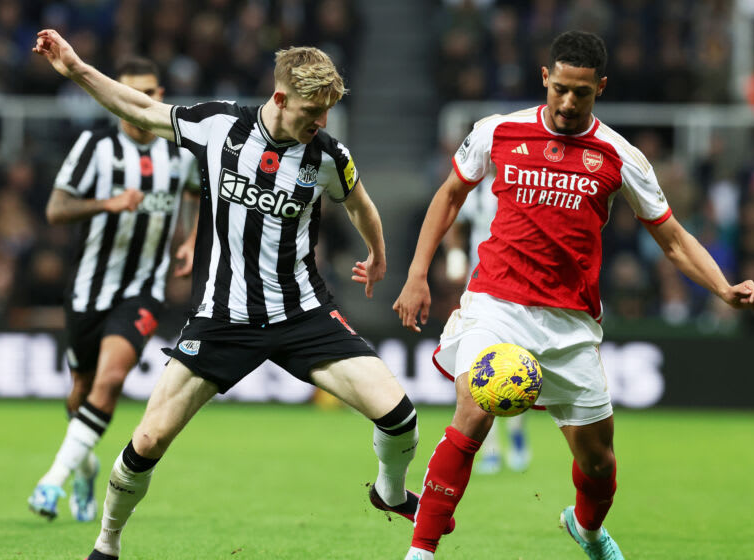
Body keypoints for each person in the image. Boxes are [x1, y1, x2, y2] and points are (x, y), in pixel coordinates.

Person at [32, 29, 452, 559]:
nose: (319, 122)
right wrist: (75, 69)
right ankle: (107, 543)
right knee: (147, 443)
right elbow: (139, 108)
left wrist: (380, 253)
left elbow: (360, 202)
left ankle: (389, 492)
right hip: (221, 318)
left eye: (325, 112)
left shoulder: (326, 154)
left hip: (302, 313)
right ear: (279, 98)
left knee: (400, 416)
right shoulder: (218, 128)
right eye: (310, 111)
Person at [393, 30, 754, 560]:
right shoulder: (498, 132)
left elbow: (674, 237)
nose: (568, 102)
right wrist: (417, 273)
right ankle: (421, 551)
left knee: (599, 464)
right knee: (472, 411)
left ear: (601, 88)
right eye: (560, 88)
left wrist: (724, 290)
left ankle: (586, 530)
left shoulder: (620, 156)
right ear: (546, 78)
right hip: (497, 305)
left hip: (571, 326)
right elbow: (450, 194)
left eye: (582, 93)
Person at [27, 56, 201, 523]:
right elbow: (56, 210)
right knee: (80, 390)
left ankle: (51, 482)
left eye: (147, 92)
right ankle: (83, 467)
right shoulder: (94, 147)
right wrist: (109, 203)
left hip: (143, 289)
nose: (138, 102)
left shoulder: (179, 151)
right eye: (129, 93)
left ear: (160, 96)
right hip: (88, 288)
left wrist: (187, 239)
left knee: (109, 380)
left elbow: (195, 193)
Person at [443, 174, 531, 475]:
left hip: (520, 287)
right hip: (481, 287)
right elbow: (453, 221)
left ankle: (517, 430)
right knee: (483, 367)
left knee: (518, 363)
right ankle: (491, 448)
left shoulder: (526, 182)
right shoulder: (477, 189)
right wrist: (456, 256)